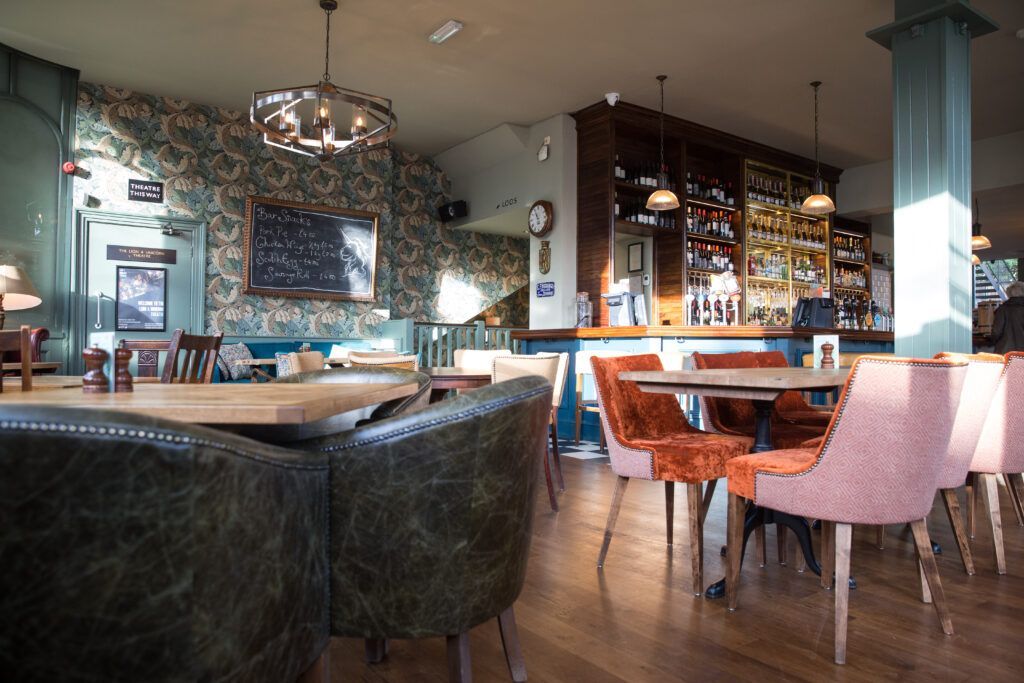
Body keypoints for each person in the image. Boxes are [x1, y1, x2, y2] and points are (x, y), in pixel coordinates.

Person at [992, 281, 1024, 354]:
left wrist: (992, 340)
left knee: (1007, 365)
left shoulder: (1002, 309)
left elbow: (996, 332)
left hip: (1005, 352)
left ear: (1008, 294)